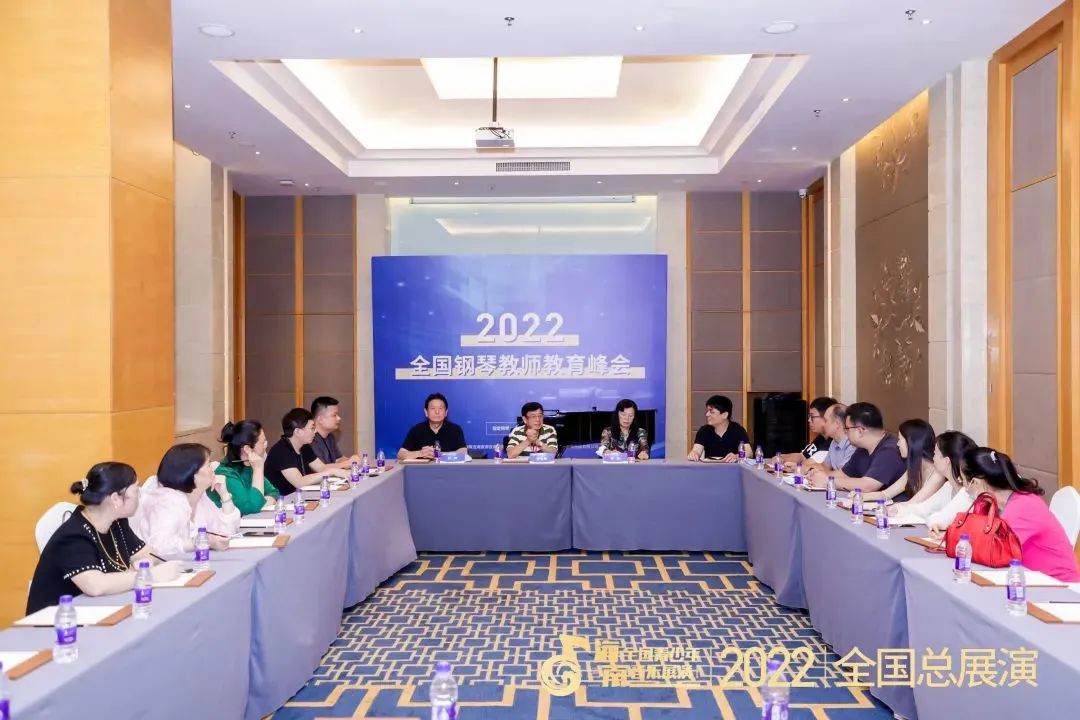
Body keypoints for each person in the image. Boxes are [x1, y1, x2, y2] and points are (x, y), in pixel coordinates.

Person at [27, 462, 180, 615]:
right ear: (115, 499)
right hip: (60, 621)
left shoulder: (117, 523)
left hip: (99, 611)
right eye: (136, 491)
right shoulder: (73, 536)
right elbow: (96, 586)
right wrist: (150, 576)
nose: (139, 496)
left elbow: (148, 554)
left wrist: (140, 566)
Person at [939, 448, 1080, 581]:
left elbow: (993, 549)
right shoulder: (997, 504)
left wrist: (956, 540)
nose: (963, 486)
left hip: (1059, 586)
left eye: (963, 481)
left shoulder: (1024, 506)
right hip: (1028, 578)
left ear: (975, 482)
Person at [131, 444, 240, 556]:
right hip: (156, 564)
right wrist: (198, 543)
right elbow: (159, 546)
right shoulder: (167, 502)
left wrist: (225, 495)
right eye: (208, 464)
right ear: (192, 472)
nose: (213, 468)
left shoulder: (200, 497)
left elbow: (225, 533)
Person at [809, 402, 904, 492]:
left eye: (847, 428)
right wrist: (818, 475)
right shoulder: (862, 449)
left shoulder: (890, 451)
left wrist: (828, 481)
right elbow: (844, 474)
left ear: (860, 431)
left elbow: (867, 486)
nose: (845, 432)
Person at [889, 431, 976, 523]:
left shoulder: (967, 493)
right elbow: (923, 509)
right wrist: (898, 510)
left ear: (946, 460)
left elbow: (939, 520)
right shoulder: (948, 486)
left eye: (935, 453)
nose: (933, 457)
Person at [264, 408, 349, 495]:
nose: (315, 431)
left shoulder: (305, 446)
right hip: (280, 500)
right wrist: (332, 472)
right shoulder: (281, 451)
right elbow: (299, 482)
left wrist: (344, 471)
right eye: (312, 428)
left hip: (299, 496)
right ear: (298, 431)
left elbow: (321, 468)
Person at [857, 419, 937, 502]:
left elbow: (913, 504)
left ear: (911, 442)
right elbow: (886, 494)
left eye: (900, 439)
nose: (898, 444)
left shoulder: (936, 473)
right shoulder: (914, 468)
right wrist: (859, 496)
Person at [212, 419, 279, 515]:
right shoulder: (226, 473)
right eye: (263, 442)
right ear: (247, 449)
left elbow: (274, 492)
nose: (266, 445)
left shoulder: (249, 466)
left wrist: (263, 502)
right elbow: (253, 507)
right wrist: (258, 469)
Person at [398, 393, 469, 461]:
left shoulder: (455, 429)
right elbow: (401, 454)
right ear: (426, 412)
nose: (437, 412)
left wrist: (439, 455)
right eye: (432, 408)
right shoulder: (416, 430)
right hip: (422, 469)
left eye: (440, 408)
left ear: (446, 412)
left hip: (448, 468)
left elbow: (463, 451)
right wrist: (420, 453)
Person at [687, 395, 750, 462]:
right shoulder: (704, 430)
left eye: (712, 412)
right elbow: (696, 450)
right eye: (707, 411)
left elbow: (749, 453)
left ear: (724, 415)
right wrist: (694, 454)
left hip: (732, 467)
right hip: (711, 467)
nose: (707, 414)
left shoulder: (737, 429)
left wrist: (737, 456)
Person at [802, 403, 857, 475]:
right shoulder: (834, 441)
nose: (823, 424)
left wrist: (819, 474)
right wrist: (800, 468)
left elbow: (843, 474)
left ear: (836, 424)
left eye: (826, 420)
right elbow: (824, 466)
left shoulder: (852, 444)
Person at [780, 396, 837, 464]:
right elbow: (802, 456)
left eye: (812, 416)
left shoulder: (834, 442)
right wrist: (780, 458)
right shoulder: (821, 438)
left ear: (826, 417)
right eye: (809, 416)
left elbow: (808, 464)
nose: (809, 420)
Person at [310, 396, 360, 469]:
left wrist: (353, 460)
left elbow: (338, 459)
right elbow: (320, 468)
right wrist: (348, 463)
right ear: (320, 419)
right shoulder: (310, 439)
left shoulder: (330, 436)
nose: (339, 418)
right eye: (334, 415)